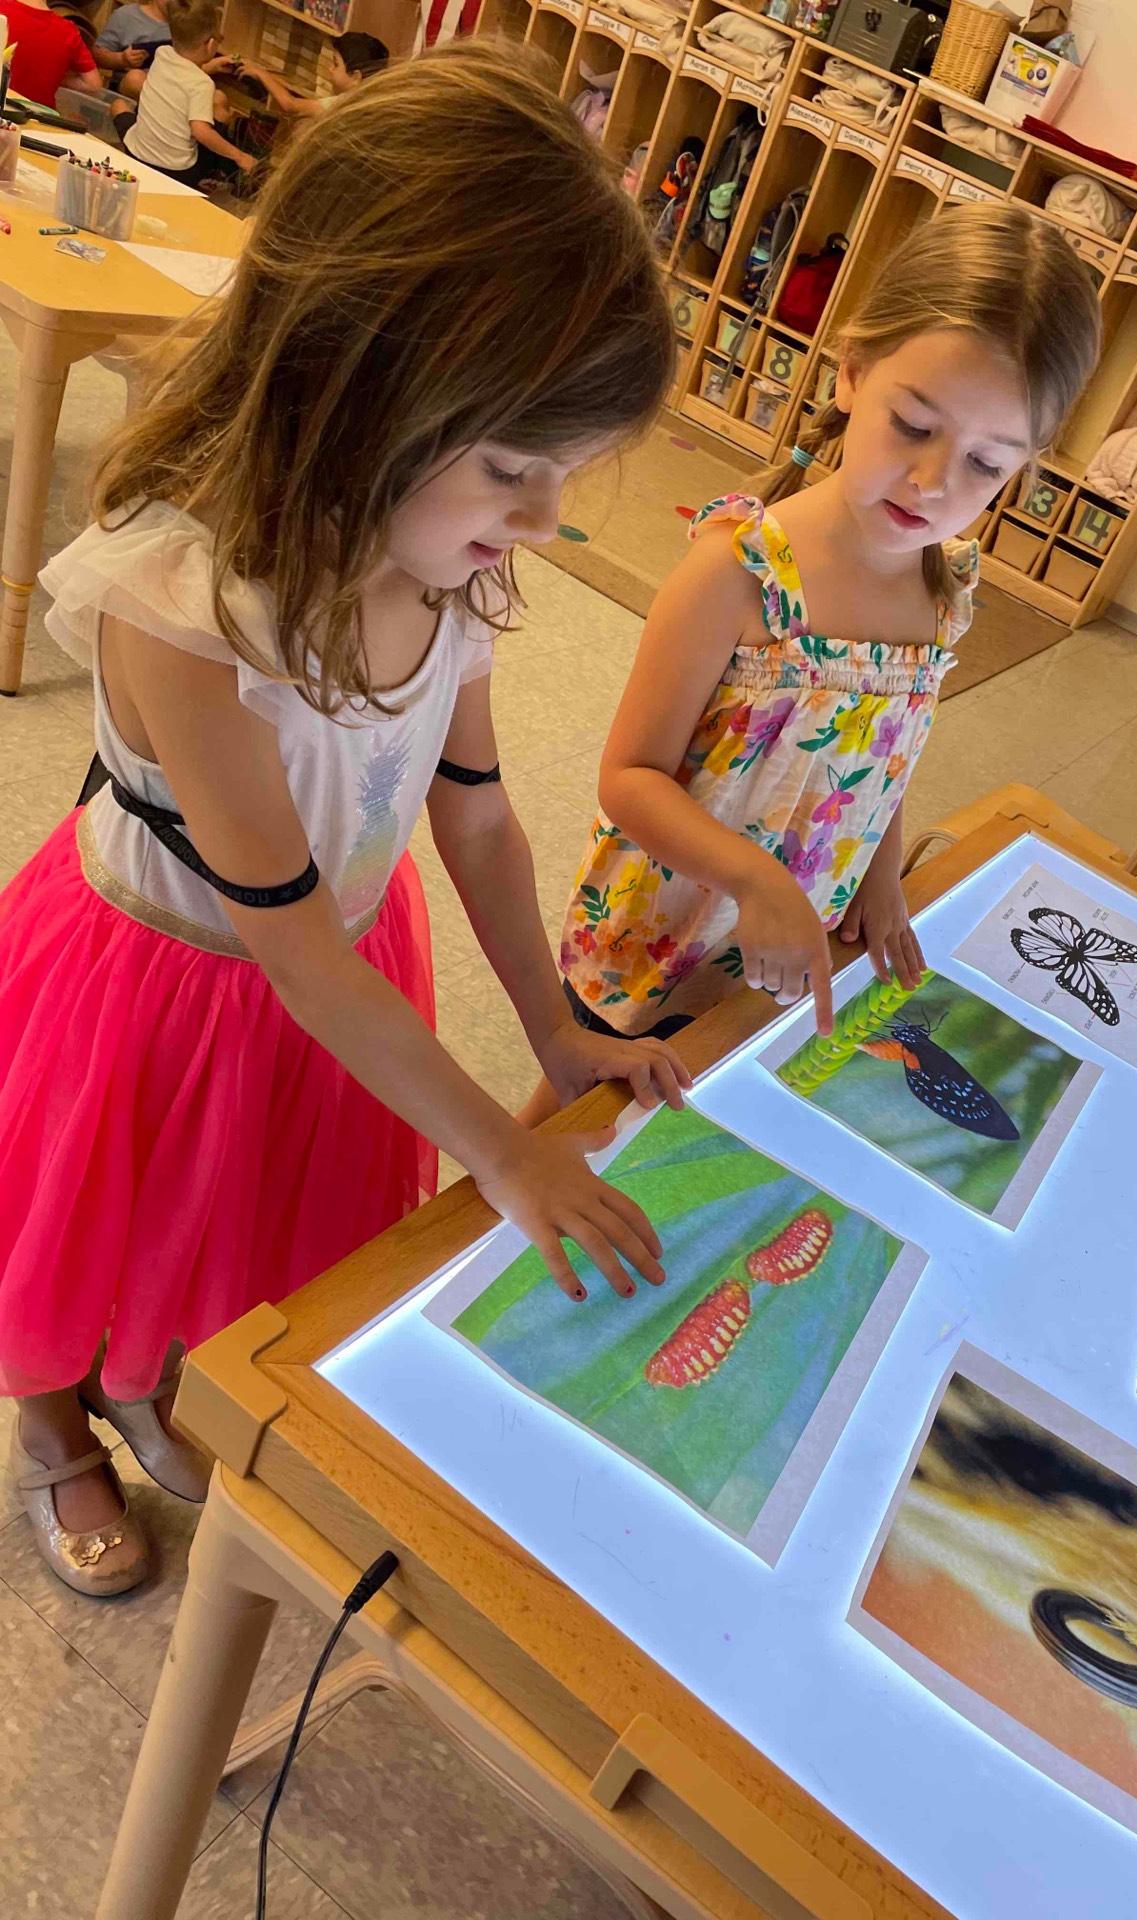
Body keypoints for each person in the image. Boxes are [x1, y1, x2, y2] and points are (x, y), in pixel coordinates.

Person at [0, 42, 688, 1598]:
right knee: (77, 1221)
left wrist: (559, 1033)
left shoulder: (450, 562)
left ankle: (143, 1379)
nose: (543, 524)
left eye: (562, 479)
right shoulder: (185, 599)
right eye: (515, 473)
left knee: (225, 1228)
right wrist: (505, 1160)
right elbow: (293, 953)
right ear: (357, 385)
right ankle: (54, 1428)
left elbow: (482, 818)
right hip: (168, 982)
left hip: (349, 969)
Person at [550, 203, 1101, 1090]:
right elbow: (629, 778)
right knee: (585, 1114)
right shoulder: (737, 570)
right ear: (851, 373)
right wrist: (758, 884)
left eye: (987, 465)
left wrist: (881, 871)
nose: (933, 484)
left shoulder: (946, 588)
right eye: (915, 427)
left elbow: (883, 753)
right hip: (660, 932)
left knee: (701, 1116)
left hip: (789, 942)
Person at [113, 0, 253, 187]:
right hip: (177, 171)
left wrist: (210, 67)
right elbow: (200, 131)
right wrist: (240, 155)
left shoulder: (162, 54)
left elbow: (181, 76)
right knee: (220, 114)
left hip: (137, 153)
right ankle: (217, 171)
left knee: (118, 105)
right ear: (211, 44)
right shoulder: (202, 84)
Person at [243, 30, 389, 120]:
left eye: (336, 64)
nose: (330, 69)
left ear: (356, 77)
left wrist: (260, 73)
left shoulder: (348, 105)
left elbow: (291, 105)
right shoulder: (370, 99)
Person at [5, 0, 101, 108]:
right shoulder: (68, 31)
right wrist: (58, 78)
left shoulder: (3, 9)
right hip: (39, 118)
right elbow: (93, 85)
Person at [93, 0, 171, 102]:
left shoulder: (188, 23)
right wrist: (122, 59)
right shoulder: (126, 15)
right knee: (135, 79)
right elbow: (98, 54)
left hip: (170, 86)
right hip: (127, 92)